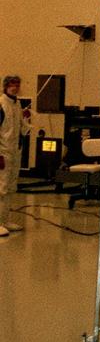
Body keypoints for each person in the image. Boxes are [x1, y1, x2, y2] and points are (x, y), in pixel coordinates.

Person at [0, 75, 27, 237]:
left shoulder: (17, 104)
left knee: (10, 187)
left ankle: (5, 220)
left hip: (14, 152)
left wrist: (26, 120)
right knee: (1, 188)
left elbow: (20, 129)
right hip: (3, 152)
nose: (15, 87)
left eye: (17, 84)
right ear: (5, 86)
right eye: (12, 84)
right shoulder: (1, 104)